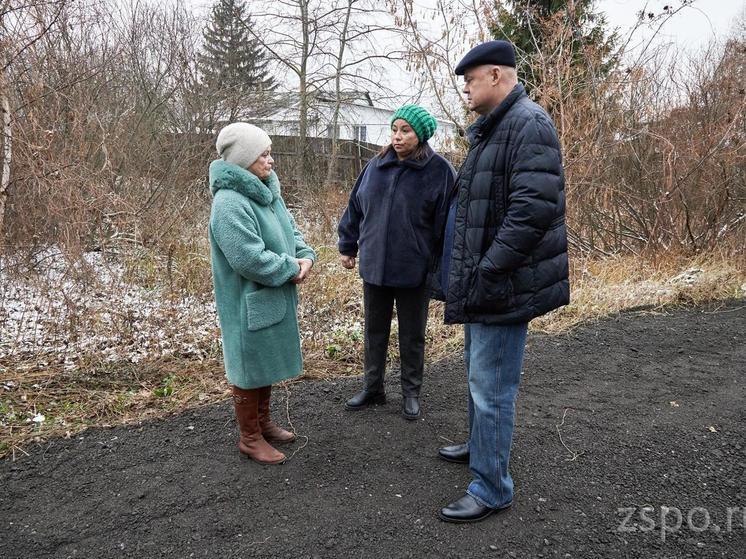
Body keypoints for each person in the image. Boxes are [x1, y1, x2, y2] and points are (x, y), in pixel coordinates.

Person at [432, 40, 569, 522]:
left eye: (470, 79)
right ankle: (479, 448)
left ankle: (492, 487)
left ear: (496, 75)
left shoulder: (527, 123)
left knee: (491, 386)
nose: (465, 88)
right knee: (478, 377)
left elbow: (532, 211)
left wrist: (489, 268)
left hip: (501, 283)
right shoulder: (496, 128)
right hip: (483, 282)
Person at [338, 105, 456, 420]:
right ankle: (373, 388)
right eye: (395, 129)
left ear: (421, 135)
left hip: (414, 270)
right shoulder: (376, 166)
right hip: (375, 266)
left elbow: (447, 224)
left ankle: (410, 393)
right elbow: (355, 207)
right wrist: (347, 244)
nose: (398, 136)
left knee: (412, 334)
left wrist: (438, 267)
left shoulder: (440, 171)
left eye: (406, 130)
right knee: (374, 331)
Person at [208, 122, 316, 465]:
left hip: (271, 298)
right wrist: (290, 269)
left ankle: (264, 422)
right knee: (247, 367)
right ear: (244, 159)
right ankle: (249, 437)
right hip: (245, 302)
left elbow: (291, 231)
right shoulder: (229, 203)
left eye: (270, 153)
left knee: (264, 362)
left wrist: (306, 255)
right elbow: (248, 259)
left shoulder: (267, 191)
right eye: (264, 154)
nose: (271, 161)